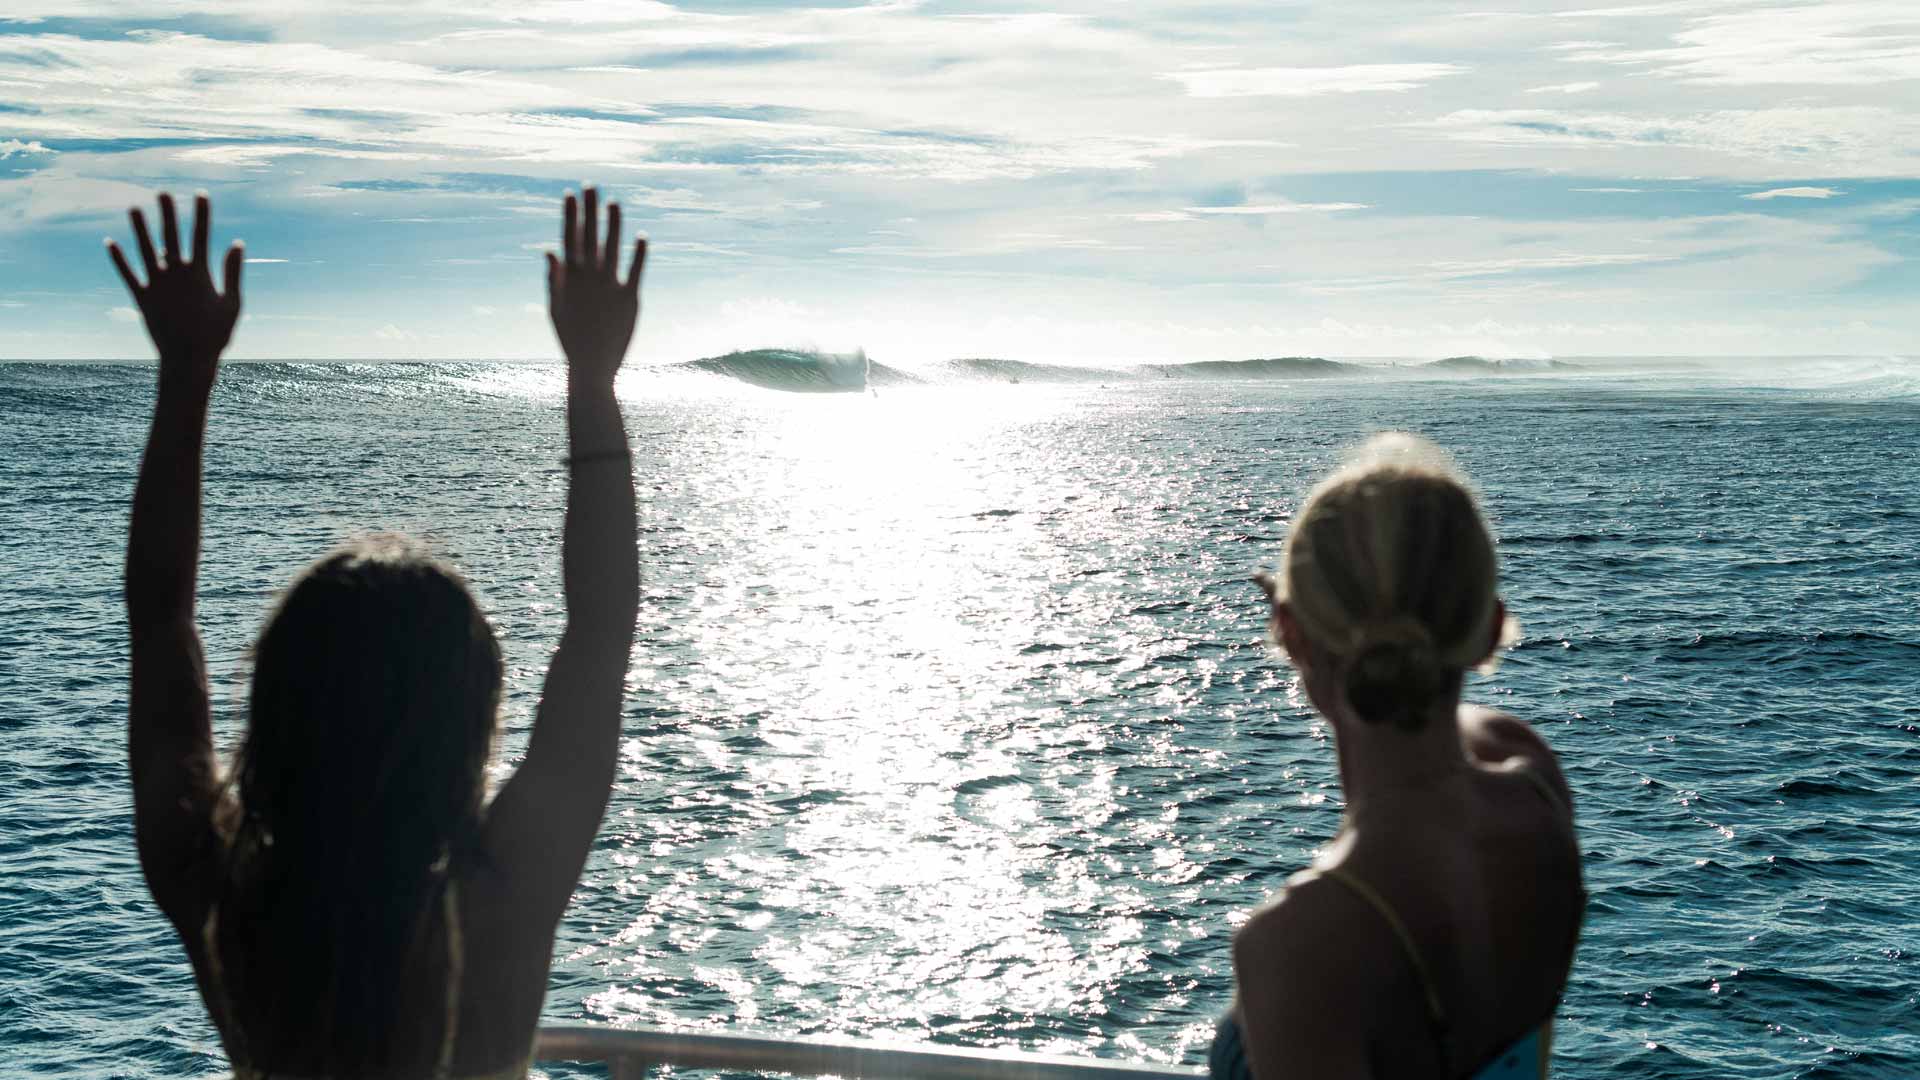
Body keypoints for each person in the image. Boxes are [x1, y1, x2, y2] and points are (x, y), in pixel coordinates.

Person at [111, 188, 646, 1078]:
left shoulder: (223, 898)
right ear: (469, 716)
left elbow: (160, 619)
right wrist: (592, 377)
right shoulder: (499, 900)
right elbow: (601, 632)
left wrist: (185, 375)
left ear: (278, 709)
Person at [1213, 434, 1584, 1080]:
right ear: (1491, 629)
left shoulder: (1302, 945)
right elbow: (1454, 733)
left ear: (1288, 632)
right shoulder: (1536, 786)